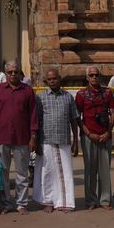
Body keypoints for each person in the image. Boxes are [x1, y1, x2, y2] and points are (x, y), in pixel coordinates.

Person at [0, 59, 38, 214]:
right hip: (1, 137)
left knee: (22, 172)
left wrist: (33, 136)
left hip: (22, 137)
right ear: (6, 73)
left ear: (19, 73)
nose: (13, 75)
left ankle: (21, 203)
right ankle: (6, 203)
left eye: (16, 72)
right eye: (10, 72)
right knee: (3, 172)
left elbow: (33, 115)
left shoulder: (27, 91)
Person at [35, 68, 80, 212]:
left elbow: (74, 119)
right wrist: (36, 141)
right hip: (46, 140)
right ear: (46, 81)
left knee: (65, 172)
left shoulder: (68, 97)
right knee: (47, 172)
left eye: (55, 78)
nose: (52, 81)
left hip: (64, 139)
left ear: (60, 79)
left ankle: (65, 202)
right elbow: (37, 121)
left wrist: (75, 141)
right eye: (50, 79)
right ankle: (48, 202)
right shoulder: (41, 97)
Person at [75, 65, 114, 210]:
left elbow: (113, 113)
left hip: (105, 135)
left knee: (104, 170)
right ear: (87, 77)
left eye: (96, 75)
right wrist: (88, 133)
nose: (94, 77)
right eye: (91, 75)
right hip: (89, 136)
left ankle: (105, 200)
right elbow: (78, 117)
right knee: (90, 170)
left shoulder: (108, 93)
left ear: (100, 76)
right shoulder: (81, 95)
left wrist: (108, 132)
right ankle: (91, 200)